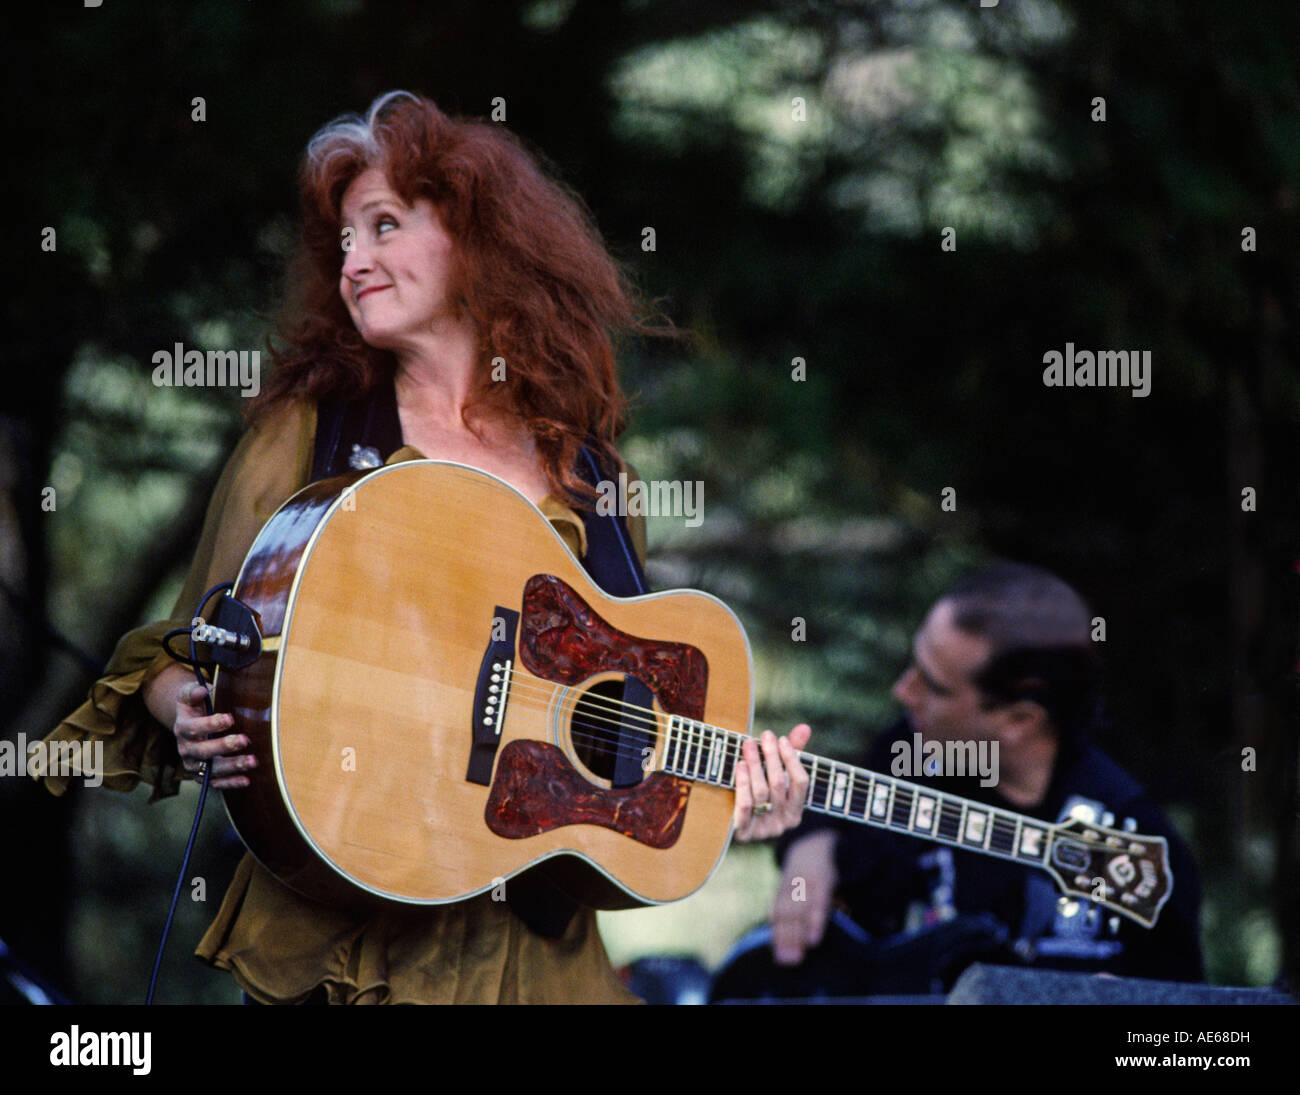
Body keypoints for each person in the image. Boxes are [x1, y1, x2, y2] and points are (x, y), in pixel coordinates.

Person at [35, 90, 811, 1004]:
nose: (354, 261)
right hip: (351, 935)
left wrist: (734, 791)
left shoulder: (593, 473)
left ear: (478, 237)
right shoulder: (309, 432)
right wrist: (183, 707)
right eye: (345, 241)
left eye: (385, 226)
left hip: (534, 957)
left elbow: (607, 711)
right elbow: (184, 647)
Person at [754, 562, 1202, 998]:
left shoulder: (1143, 849)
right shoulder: (915, 752)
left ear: (1019, 719)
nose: (902, 690)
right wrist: (812, 847)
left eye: (934, 685)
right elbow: (837, 805)